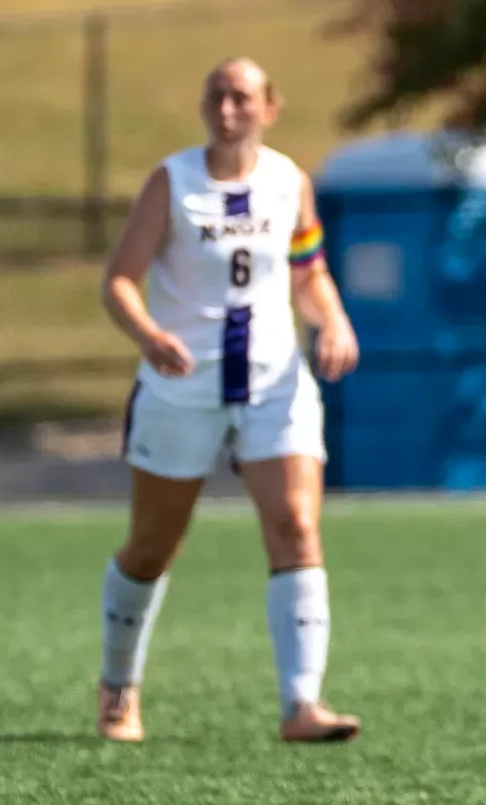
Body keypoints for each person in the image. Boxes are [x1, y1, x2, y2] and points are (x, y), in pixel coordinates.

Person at [93, 57, 362, 744]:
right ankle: (118, 689)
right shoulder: (173, 182)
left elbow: (311, 274)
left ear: (270, 107)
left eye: (242, 96)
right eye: (216, 94)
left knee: (297, 526)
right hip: (182, 384)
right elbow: (119, 281)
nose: (227, 107)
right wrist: (149, 334)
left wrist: (332, 320)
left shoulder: (288, 181)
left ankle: (303, 705)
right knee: (153, 546)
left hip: (274, 383)